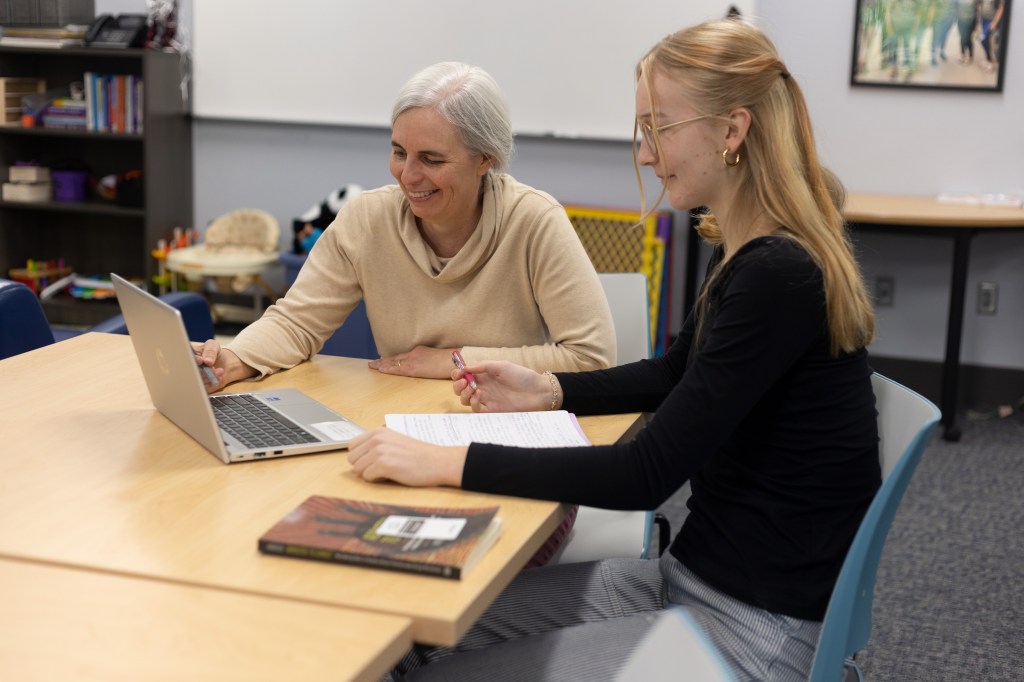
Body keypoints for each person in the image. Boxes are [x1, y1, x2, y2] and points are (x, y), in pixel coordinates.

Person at [347, 18, 880, 682]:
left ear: (732, 131)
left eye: (659, 128)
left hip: (750, 627)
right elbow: (675, 372)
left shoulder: (778, 273)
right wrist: (550, 389)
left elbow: (644, 475)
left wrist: (443, 462)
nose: (647, 154)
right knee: (416, 630)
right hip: (688, 581)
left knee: (429, 669)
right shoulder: (747, 250)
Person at [194, 61, 614, 390]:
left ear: (485, 159)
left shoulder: (535, 221)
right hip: (400, 415)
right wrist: (234, 360)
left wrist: (453, 360)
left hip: (505, 424)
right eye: (399, 152)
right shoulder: (366, 219)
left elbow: (591, 358)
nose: (408, 176)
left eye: (431, 159)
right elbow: (297, 322)